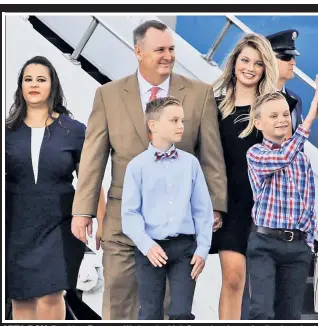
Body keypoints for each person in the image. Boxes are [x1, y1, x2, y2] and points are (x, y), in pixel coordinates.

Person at [70, 20, 227, 320]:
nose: (168, 55)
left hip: (175, 226)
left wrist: (215, 206)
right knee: (119, 299)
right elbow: (92, 157)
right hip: (122, 221)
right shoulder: (109, 94)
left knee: (167, 306)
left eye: (171, 49)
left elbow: (211, 156)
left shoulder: (199, 93)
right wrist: (83, 210)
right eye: (160, 50)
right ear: (138, 52)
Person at [5, 56, 106, 320]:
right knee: (21, 297)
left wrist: (102, 220)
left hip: (60, 224)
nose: (34, 85)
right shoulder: (7, 131)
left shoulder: (73, 130)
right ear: (20, 87)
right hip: (17, 225)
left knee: (52, 294)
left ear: (53, 86)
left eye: (41, 79)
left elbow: (89, 179)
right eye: (28, 80)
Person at [121, 96, 213, 320]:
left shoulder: (190, 163)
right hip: (150, 249)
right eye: (174, 120)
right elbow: (130, 213)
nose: (181, 125)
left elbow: (203, 210)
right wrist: (146, 245)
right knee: (150, 312)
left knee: (181, 313)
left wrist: (202, 249)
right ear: (153, 125)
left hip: (185, 250)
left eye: (182, 120)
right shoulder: (137, 166)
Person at [210, 33, 278, 320]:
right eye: (245, 60)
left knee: (259, 288)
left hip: (266, 206)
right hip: (230, 205)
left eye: (258, 63)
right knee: (234, 279)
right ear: (234, 62)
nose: (250, 68)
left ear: (266, 69)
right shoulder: (214, 106)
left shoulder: (275, 107)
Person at [245, 87, 318, 320]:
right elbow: (281, 158)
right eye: (273, 116)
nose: (281, 120)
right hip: (264, 243)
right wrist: (308, 121)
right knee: (262, 311)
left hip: (297, 247)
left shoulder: (302, 158)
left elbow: (308, 202)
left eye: (285, 115)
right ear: (258, 123)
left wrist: (307, 243)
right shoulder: (256, 153)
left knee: (290, 315)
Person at [266, 29, 303, 135]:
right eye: (286, 57)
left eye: (293, 57)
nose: (293, 62)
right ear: (268, 60)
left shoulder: (295, 100)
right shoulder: (255, 97)